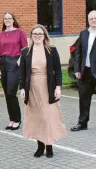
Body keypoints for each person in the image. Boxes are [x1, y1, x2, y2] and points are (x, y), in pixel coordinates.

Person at [19, 24, 67, 158]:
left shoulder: (51, 50)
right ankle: (40, 147)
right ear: (31, 36)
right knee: (37, 118)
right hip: (32, 88)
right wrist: (22, 88)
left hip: (47, 87)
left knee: (47, 117)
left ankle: (49, 145)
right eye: (35, 34)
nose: (37, 36)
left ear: (44, 36)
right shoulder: (25, 52)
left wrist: (58, 87)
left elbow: (58, 71)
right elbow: (22, 73)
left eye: (40, 34)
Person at [0, 12, 28, 130]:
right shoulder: (1, 34)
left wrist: (19, 61)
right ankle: (11, 119)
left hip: (14, 63)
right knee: (6, 94)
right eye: (5, 18)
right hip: (3, 63)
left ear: (13, 20)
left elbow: (25, 49)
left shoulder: (20, 32)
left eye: (9, 18)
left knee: (11, 93)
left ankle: (17, 119)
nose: (7, 20)